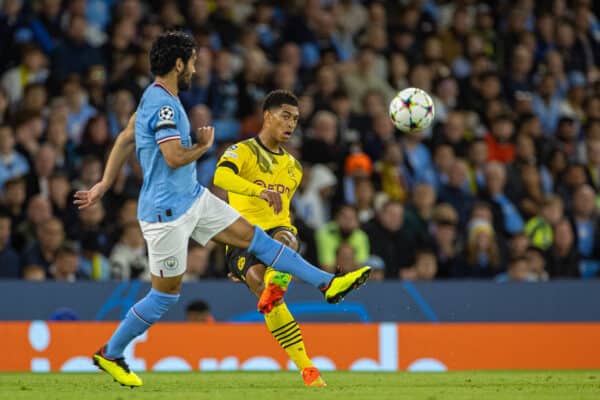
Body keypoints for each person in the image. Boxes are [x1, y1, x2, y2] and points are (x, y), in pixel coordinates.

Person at [73, 31, 370, 388]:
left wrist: (104, 183)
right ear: (178, 63)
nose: (196, 69)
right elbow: (172, 156)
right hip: (167, 213)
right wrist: (203, 146)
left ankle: (329, 284)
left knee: (257, 240)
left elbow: (125, 137)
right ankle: (110, 352)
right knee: (164, 296)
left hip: (193, 198)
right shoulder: (165, 105)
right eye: (193, 62)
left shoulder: (153, 98)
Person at [214, 90, 329, 386]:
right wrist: (257, 190)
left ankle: (308, 369)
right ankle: (304, 364)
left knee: (285, 237)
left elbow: (283, 213)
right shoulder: (242, 151)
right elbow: (220, 178)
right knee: (257, 283)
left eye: (296, 119)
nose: (291, 124)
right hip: (241, 238)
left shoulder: (294, 168)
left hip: (277, 232)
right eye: (286, 116)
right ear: (267, 116)